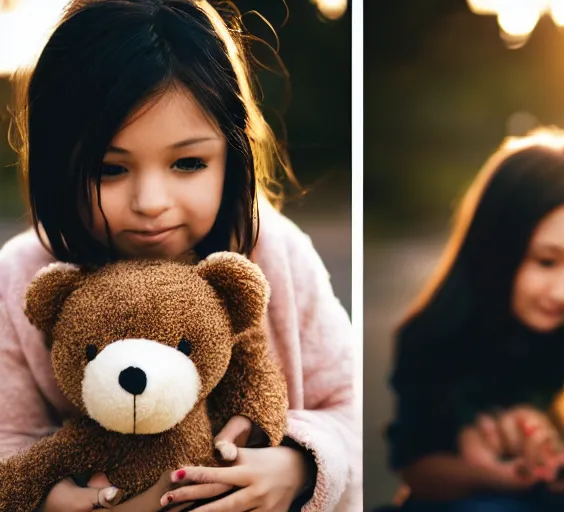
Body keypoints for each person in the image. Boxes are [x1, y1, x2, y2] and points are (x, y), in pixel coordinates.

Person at [0, 1, 360, 511]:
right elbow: (6, 433)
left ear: (231, 156)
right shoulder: (21, 275)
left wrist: (300, 466)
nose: (151, 202)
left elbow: (350, 409)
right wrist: (46, 500)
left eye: (188, 162)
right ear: (60, 165)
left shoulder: (275, 254)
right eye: (109, 168)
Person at [386, 128, 564, 511]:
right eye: (546, 261)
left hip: (550, 487)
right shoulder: (434, 332)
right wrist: (498, 476)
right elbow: (417, 470)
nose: (563, 291)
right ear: (497, 246)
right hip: (462, 497)